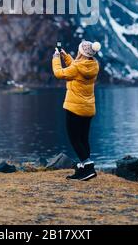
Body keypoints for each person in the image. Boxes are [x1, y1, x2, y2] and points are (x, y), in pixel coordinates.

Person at [52, 40, 101, 181]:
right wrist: (64, 55)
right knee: (83, 139)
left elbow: (59, 73)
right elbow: (76, 66)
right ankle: (84, 170)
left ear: (81, 52)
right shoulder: (93, 65)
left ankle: (88, 166)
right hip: (88, 108)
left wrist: (56, 57)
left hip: (74, 108)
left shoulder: (78, 67)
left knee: (74, 138)